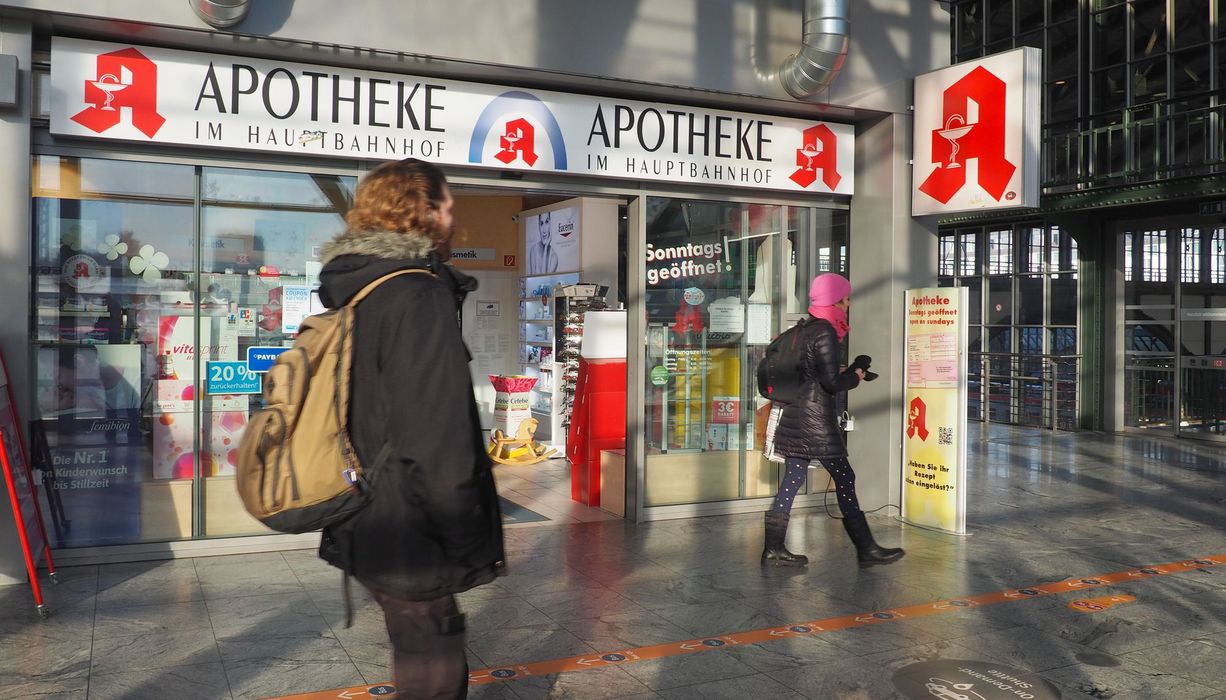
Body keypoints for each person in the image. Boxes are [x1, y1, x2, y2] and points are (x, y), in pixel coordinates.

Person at [316, 158, 505, 699]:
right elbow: (435, 440)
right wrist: (468, 539)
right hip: (415, 525)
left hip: (369, 514)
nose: (452, 217)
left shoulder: (359, 289)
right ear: (421, 210)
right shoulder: (417, 295)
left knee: (414, 639)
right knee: (433, 650)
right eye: (447, 205)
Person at [764, 272, 905, 567]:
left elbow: (812, 374)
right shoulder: (824, 331)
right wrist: (855, 375)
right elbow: (830, 383)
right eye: (846, 298)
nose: (848, 304)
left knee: (792, 479)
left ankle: (774, 548)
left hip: (794, 415)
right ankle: (866, 549)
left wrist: (847, 371)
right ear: (835, 300)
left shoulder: (802, 330)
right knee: (845, 477)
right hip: (815, 422)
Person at [526, 210, 558, 274]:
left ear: (550, 224)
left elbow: (545, 277)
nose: (544, 230)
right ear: (539, 226)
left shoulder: (554, 257)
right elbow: (533, 279)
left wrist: (546, 248)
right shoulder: (533, 250)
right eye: (541, 223)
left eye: (546, 222)